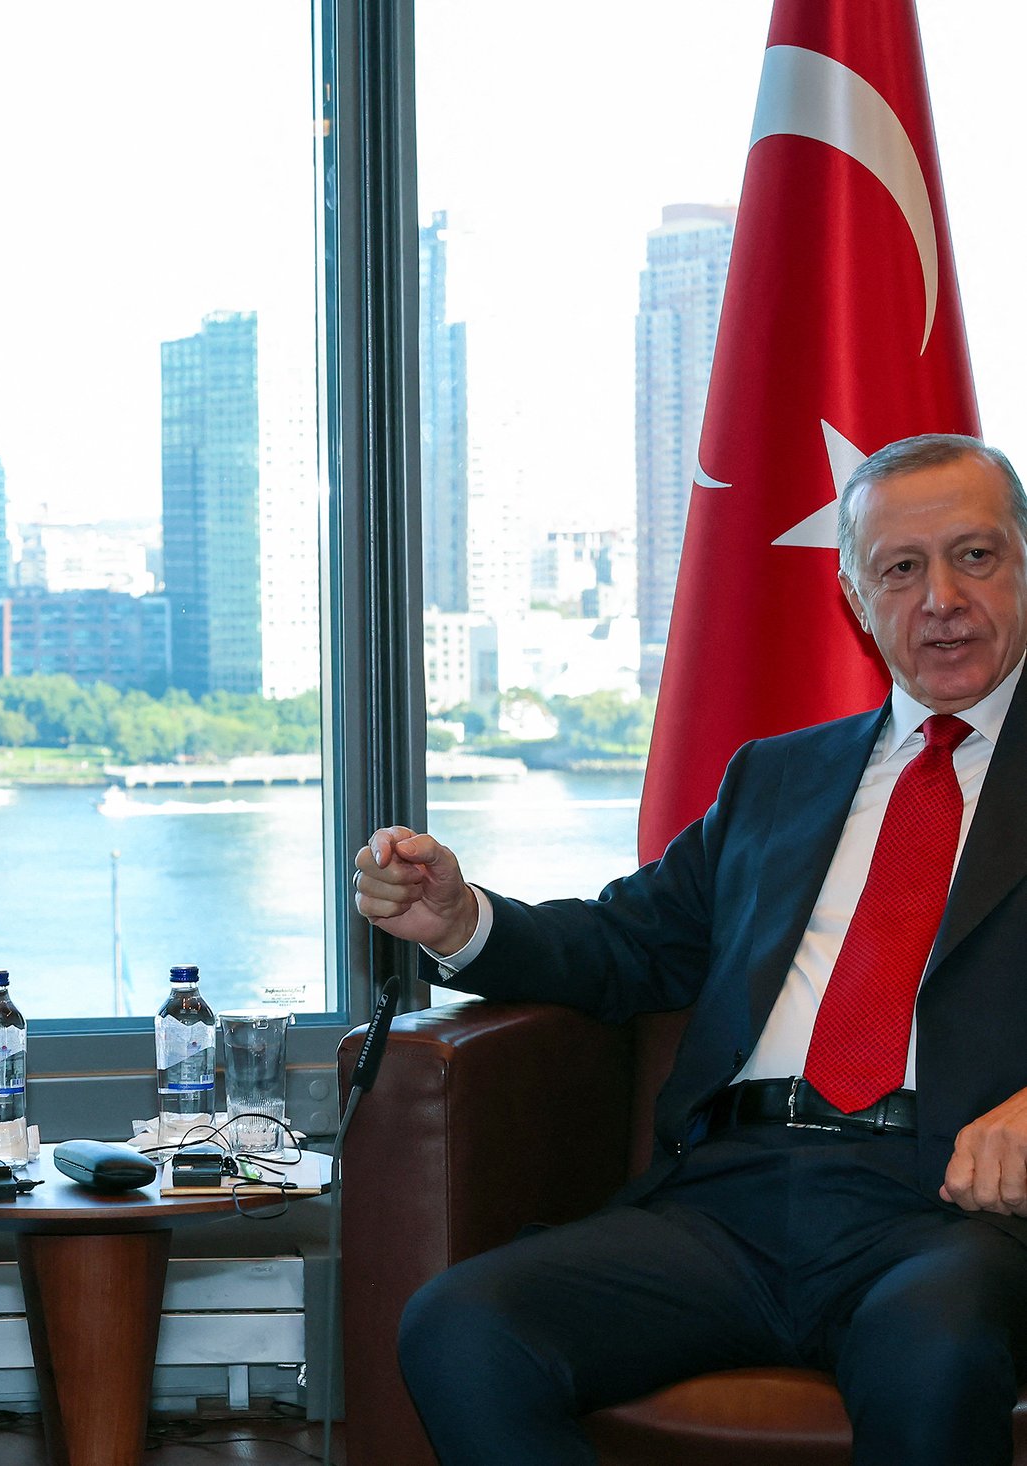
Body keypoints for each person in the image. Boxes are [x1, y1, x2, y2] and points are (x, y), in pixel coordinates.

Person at [353, 433, 1027, 1466]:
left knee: (932, 1349)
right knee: (463, 1322)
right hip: (726, 1197)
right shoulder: (775, 776)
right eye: (899, 567)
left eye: (972, 555)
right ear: (854, 597)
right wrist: (458, 920)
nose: (938, 595)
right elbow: (628, 944)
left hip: (941, 1208)